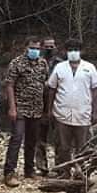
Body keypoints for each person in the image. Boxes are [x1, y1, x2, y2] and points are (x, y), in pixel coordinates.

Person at [3, 36, 49, 187]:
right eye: (32, 48)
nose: (34, 51)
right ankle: (9, 172)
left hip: (36, 109)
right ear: (26, 48)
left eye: (37, 48)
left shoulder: (43, 63)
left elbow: (45, 84)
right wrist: (12, 108)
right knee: (16, 138)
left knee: (32, 140)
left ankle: (29, 170)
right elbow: (9, 85)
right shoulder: (17, 63)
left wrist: (46, 109)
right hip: (20, 107)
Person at [48, 38, 97, 167]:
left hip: (83, 114)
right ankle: (62, 171)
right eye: (70, 50)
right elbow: (52, 89)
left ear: (81, 51)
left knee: (83, 147)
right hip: (62, 113)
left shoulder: (89, 68)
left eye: (76, 50)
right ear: (65, 51)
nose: (73, 52)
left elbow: (95, 91)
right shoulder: (59, 67)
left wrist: (96, 112)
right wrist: (49, 110)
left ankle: (82, 173)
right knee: (62, 146)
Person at [35, 36, 63, 175]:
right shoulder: (36, 62)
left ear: (56, 47)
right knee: (40, 138)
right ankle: (42, 167)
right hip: (39, 105)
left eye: (52, 46)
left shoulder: (61, 64)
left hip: (57, 104)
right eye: (47, 46)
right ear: (42, 47)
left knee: (59, 138)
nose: (49, 49)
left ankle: (60, 167)